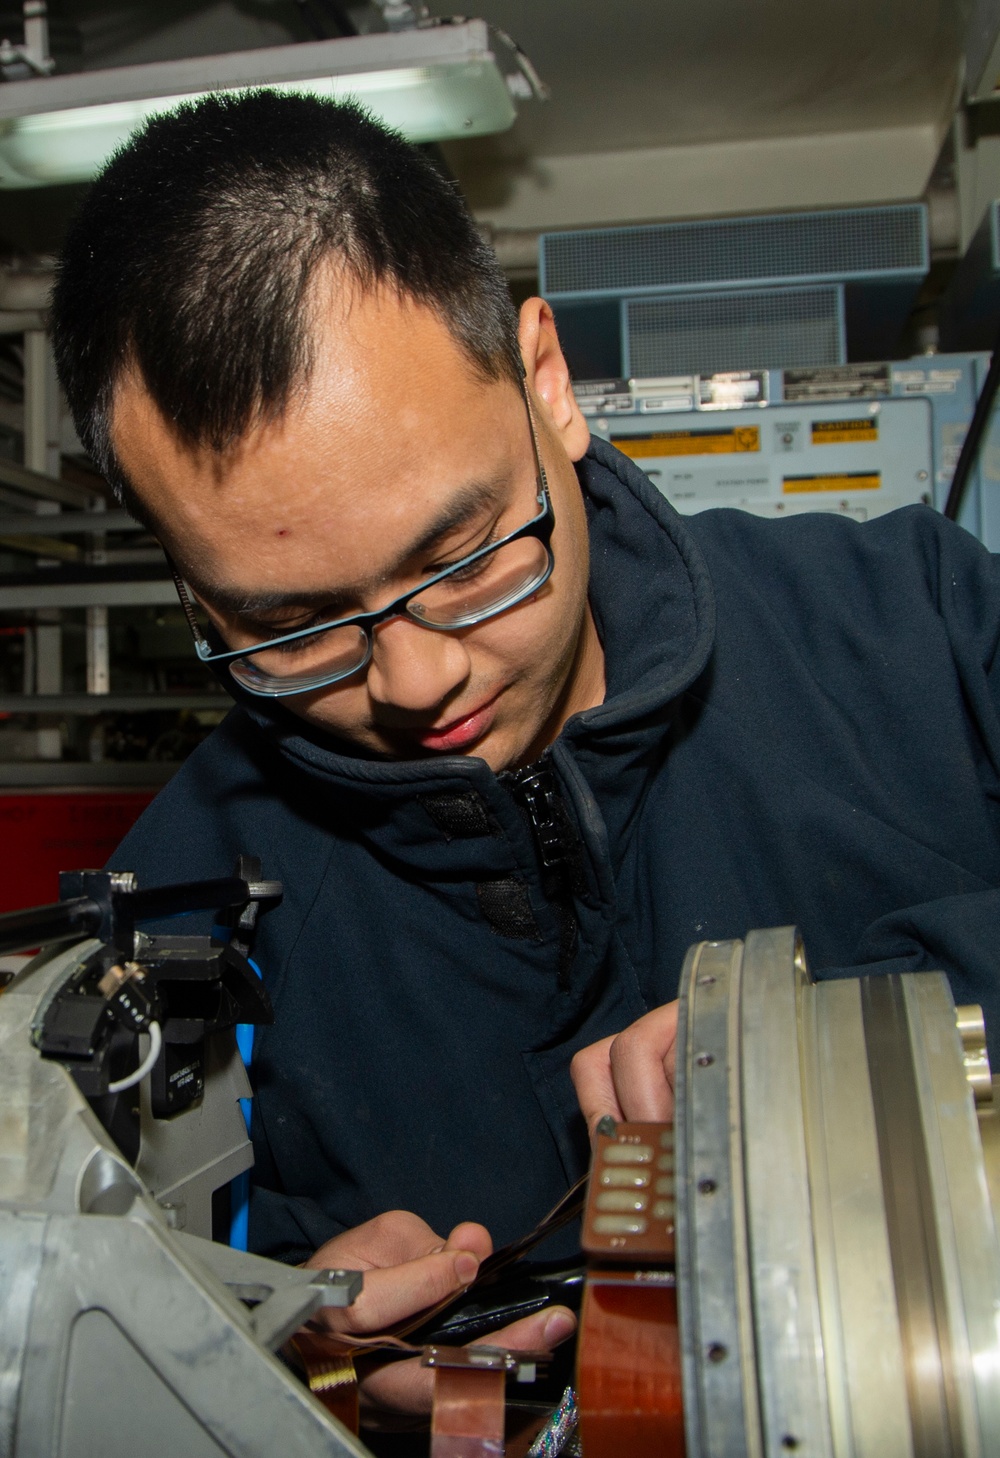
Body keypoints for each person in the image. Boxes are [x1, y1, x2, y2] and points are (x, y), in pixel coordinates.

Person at [51, 88, 1000, 1418]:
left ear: (546, 382)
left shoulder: (927, 636)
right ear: (196, 597)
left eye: (461, 555)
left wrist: (841, 1062)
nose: (417, 676)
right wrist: (300, 1361)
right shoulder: (177, 918)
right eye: (288, 624)